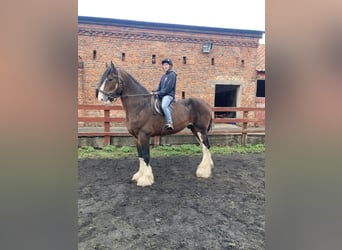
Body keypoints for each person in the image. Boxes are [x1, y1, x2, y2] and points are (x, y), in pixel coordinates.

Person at [152, 58, 177, 130]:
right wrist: (154, 91)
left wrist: (159, 92)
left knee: (164, 106)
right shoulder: (163, 76)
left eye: (166, 65)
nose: (165, 66)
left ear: (170, 66)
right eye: (163, 65)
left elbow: (168, 88)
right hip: (162, 95)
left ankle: (170, 122)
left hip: (168, 95)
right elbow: (159, 87)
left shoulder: (172, 75)